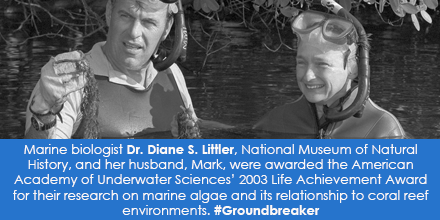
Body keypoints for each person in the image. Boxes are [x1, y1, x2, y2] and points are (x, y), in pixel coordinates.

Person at [24, 0, 228, 139]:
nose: (134, 33)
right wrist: (44, 112)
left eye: (149, 22)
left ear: (166, 28)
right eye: (126, 16)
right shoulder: (69, 80)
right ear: (109, 12)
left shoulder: (172, 74)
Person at [254, 9, 407, 139]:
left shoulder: (381, 130)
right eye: (301, 63)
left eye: (322, 64)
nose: (308, 76)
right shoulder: (277, 121)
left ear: (353, 68)